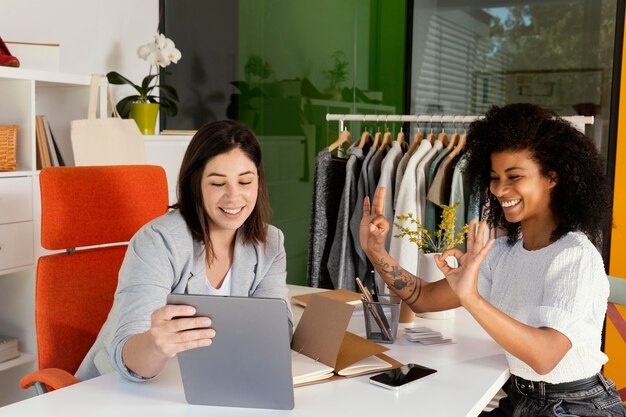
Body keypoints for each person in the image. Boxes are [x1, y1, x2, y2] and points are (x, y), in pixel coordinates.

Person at [360, 103, 626, 416]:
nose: (500, 189)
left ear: (552, 177)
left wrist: (470, 297)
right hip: (520, 399)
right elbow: (422, 298)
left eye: (514, 176)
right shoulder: (502, 254)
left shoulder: (575, 256)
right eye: (494, 177)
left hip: (575, 406)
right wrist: (375, 250)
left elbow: (545, 357)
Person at [76, 120, 292, 381]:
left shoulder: (269, 243)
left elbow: (277, 331)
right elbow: (129, 357)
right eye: (217, 184)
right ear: (195, 184)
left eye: (245, 182)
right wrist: (156, 344)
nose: (234, 197)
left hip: (214, 380)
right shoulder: (158, 241)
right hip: (119, 388)